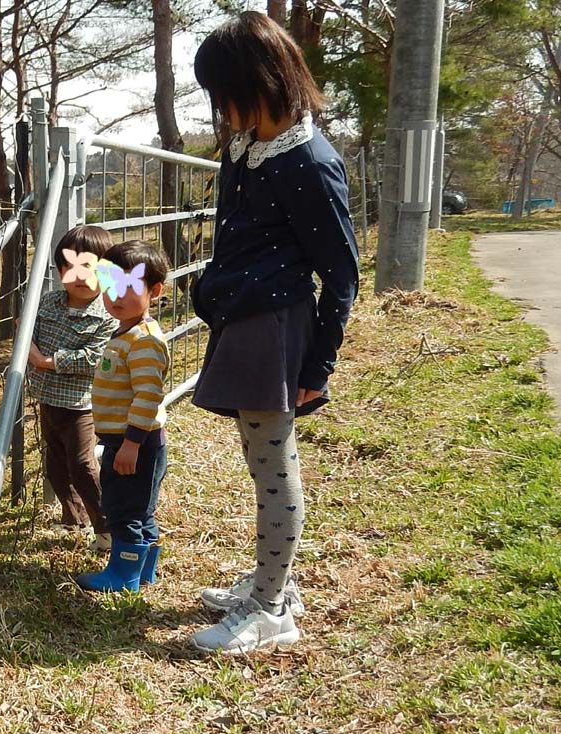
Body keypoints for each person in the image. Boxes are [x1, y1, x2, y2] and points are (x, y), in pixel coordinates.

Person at [187, 11, 360, 653]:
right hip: (243, 318)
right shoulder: (248, 148)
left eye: (224, 94)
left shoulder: (309, 163)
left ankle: (271, 607)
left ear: (261, 83)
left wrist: (318, 368)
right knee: (263, 464)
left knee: (272, 469)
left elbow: (342, 274)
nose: (219, 109)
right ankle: (272, 584)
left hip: (276, 329)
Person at [76, 240, 171, 592]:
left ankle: (123, 574)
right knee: (139, 507)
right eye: (111, 284)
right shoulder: (126, 331)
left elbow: (149, 395)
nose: (117, 296)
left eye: (130, 287)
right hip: (128, 439)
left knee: (122, 508)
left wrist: (131, 444)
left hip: (135, 442)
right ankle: (143, 570)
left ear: (155, 290)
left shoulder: (143, 340)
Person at [28, 225, 120, 549]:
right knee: (55, 464)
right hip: (48, 398)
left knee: (82, 465)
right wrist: (26, 343)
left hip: (82, 403)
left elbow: (96, 357)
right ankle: (75, 518)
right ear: (59, 269)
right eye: (70, 266)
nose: (79, 276)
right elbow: (28, 333)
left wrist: (45, 361)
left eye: (89, 267)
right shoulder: (49, 302)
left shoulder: (109, 313)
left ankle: (108, 527)